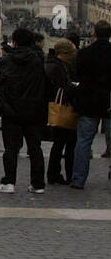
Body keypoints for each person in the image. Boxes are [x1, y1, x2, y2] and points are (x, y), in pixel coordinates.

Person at [0, 28, 47, 194]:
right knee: (35, 148)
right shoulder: (39, 61)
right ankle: (38, 184)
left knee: (11, 149)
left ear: (14, 42)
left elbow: (0, 87)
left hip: (12, 112)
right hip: (34, 111)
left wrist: (4, 107)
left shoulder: (4, 62)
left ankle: (9, 182)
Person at [70, 20, 111, 190]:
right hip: (110, 100)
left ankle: (78, 179)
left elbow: (77, 75)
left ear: (94, 33)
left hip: (89, 101)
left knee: (84, 142)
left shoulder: (84, 53)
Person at [44, 38, 78, 185]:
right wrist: (74, 87)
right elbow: (61, 88)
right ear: (64, 53)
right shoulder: (59, 67)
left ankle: (55, 173)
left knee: (59, 144)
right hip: (62, 108)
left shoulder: (52, 64)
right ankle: (58, 173)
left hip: (56, 107)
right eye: (70, 53)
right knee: (65, 143)